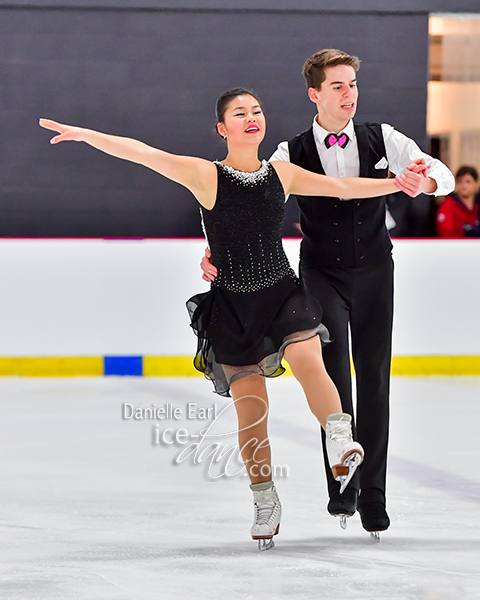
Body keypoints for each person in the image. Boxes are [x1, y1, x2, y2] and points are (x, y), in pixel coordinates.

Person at [39, 87, 418, 550]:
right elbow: (143, 154)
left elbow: (342, 186)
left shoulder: (281, 172)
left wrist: (394, 184)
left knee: (310, 361)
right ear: (223, 128)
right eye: (240, 113)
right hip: (234, 307)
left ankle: (340, 439)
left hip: (282, 294)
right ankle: (264, 499)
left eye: (257, 110)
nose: (251, 118)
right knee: (251, 414)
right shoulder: (204, 175)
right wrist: (86, 135)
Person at [201, 52, 455, 540]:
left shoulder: (384, 138)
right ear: (315, 94)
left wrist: (420, 180)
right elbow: (241, 201)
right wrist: (212, 249)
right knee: (334, 375)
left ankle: (374, 498)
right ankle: (343, 487)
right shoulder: (288, 151)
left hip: (377, 270)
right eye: (337, 86)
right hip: (320, 274)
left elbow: (439, 176)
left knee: (375, 378)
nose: (349, 93)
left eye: (353, 84)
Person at [436, 165, 480, 238]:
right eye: (460, 181)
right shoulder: (449, 204)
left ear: (476, 184)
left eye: (468, 182)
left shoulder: (477, 204)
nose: (464, 185)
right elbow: (445, 231)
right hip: (456, 245)